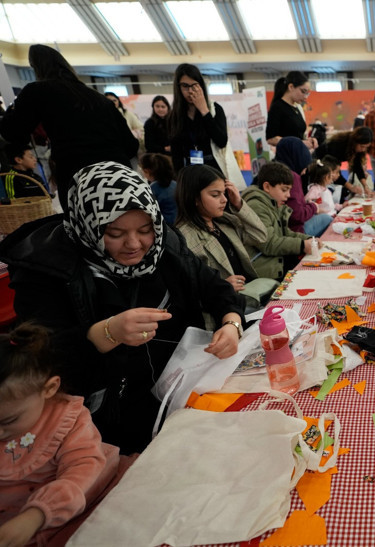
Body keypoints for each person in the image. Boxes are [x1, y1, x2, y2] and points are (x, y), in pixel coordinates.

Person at [0, 161, 243, 454]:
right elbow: (45, 358)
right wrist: (107, 333)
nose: (134, 244)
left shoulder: (164, 246)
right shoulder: (46, 272)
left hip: (180, 393)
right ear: (88, 225)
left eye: (145, 230)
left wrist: (231, 323)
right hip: (109, 426)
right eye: (115, 234)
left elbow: (212, 286)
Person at [0, 323, 125, 546]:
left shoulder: (67, 420)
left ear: (49, 388)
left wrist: (36, 515)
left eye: (8, 421)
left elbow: (81, 471)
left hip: (82, 505)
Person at [0, 45, 138, 208]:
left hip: (78, 179)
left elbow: (12, 132)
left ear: (36, 67)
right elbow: (131, 145)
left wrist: (11, 110)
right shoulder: (97, 98)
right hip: (119, 177)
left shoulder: (37, 91)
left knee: (82, 223)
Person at [175, 164, 275, 311]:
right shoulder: (184, 237)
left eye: (224, 193)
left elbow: (260, 236)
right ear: (194, 197)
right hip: (227, 308)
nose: (224, 200)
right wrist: (221, 286)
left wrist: (239, 204)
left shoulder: (224, 222)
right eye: (215, 195)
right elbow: (187, 290)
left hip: (251, 296)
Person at [168, 63, 241, 184]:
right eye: (185, 86)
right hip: (190, 172)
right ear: (178, 87)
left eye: (194, 85)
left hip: (214, 170)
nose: (190, 91)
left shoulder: (215, 109)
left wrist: (204, 111)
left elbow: (221, 141)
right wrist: (180, 180)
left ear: (201, 86)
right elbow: (176, 155)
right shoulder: (174, 116)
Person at [242, 161, 314, 281]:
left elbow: (285, 233)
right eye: (284, 190)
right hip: (266, 271)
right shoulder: (257, 206)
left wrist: (308, 239)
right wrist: (302, 245)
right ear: (267, 187)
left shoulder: (272, 203)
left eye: (289, 190)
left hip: (276, 263)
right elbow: (269, 243)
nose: (288, 195)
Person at [274, 137, 332, 236]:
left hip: (278, 229)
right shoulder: (292, 177)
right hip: (292, 231)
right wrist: (314, 207)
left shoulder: (272, 171)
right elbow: (297, 215)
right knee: (328, 219)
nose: (305, 171)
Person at [265, 71, 315, 151]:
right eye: (303, 91)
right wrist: (300, 143)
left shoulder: (296, 108)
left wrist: (308, 141)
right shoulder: (277, 107)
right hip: (287, 156)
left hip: (299, 154)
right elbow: (271, 139)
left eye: (307, 93)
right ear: (291, 87)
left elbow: (297, 136)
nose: (305, 97)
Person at [325, 126, 375, 199]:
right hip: (324, 165)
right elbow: (335, 173)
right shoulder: (338, 145)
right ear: (355, 142)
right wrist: (351, 187)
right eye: (362, 146)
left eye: (366, 147)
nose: (363, 149)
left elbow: (357, 166)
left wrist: (365, 186)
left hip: (332, 167)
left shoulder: (356, 148)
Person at [139, 152, 177, 224]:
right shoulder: (175, 184)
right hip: (179, 222)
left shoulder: (153, 188)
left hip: (165, 225)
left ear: (147, 171)